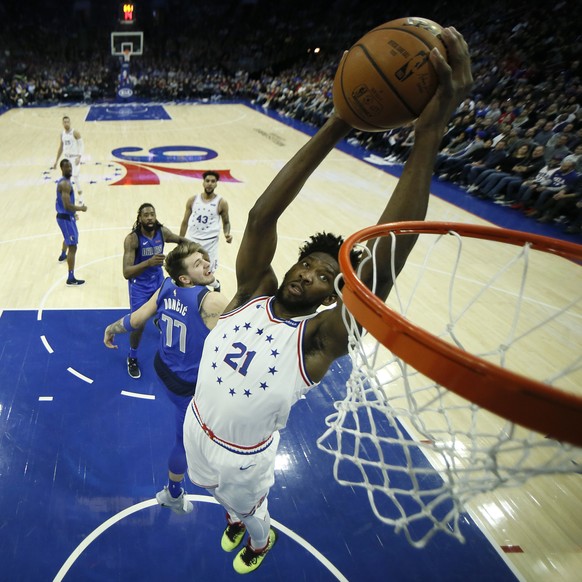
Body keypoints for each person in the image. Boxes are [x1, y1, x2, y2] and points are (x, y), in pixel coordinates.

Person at [182, 27, 472, 575]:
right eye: (306, 266)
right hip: (197, 425)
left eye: (322, 278)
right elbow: (261, 218)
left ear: (332, 295)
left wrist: (428, 133)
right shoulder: (251, 293)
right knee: (217, 494)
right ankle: (234, 515)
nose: (308, 277)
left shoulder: (317, 340)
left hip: (246, 457)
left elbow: (381, 264)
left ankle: (257, 540)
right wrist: (339, 118)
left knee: (249, 506)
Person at [104, 241, 229, 513]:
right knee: (182, 443)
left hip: (163, 369)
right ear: (185, 277)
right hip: (189, 388)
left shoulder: (166, 286)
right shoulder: (212, 302)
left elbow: (136, 321)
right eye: (199, 264)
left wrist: (112, 327)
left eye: (204, 259)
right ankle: (172, 494)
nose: (207, 264)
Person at [122, 203, 188, 379]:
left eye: (152, 214)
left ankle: (160, 322)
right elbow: (126, 272)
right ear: (140, 218)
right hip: (139, 286)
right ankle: (132, 356)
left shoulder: (162, 232)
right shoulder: (132, 239)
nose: (150, 217)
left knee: (169, 313)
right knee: (138, 324)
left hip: (158, 282)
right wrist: (148, 263)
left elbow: (179, 239)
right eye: (146, 215)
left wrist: (193, 247)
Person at [179, 171, 232, 292]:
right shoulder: (193, 200)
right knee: (192, 272)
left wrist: (227, 234)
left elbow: (226, 222)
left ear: (216, 184)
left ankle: (215, 285)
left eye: (213, 181)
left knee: (206, 272)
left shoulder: (221, 202)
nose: (210, 184)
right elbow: (185, 222)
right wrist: (180, 240)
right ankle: (200, 295)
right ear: (203, 182)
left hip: (210, 244)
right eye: (207, 181)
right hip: (193, 242)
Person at [55, 159, 87, 285]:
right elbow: (67, 205)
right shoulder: (65, 184)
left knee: (68, 238)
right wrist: (80, 208)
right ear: (61, 169)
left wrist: (73, 214)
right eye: (66, 167)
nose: (69, 169)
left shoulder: (66, 182)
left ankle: (63, 254)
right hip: (65, 217)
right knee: (73, 246)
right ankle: (70, 277)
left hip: (66, 217)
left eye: (70, 166)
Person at [51, 116, 85, 204]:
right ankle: (70, 197)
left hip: (75, 158)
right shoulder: (62, 134)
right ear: (62, 123)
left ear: (70, 122)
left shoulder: (75, 133)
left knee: (75, 176)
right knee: (67, 178)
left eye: (67, 122)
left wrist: (79, 156)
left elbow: (81, 145)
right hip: (66, 158)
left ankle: (81, 196)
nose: (66, 123)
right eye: (64, 122)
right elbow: (61, 147)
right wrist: (56, 161)